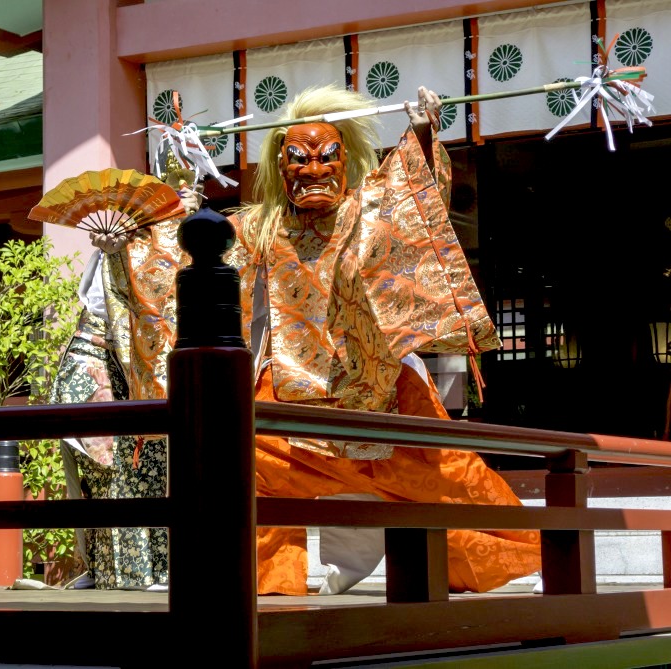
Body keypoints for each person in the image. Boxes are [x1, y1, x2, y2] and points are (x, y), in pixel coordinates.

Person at [92, 83, 541, 596]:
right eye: (297, 159)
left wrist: (419, 129)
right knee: (243, 464)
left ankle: (532, 549)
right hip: (289, 385)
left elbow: (411, 193)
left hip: (378, 386)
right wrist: (128, 242)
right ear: (280, 168)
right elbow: (188, 253)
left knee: (454, 481)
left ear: (344, 160)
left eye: (325, 156)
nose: (311, 170)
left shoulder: (367, 210)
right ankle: (266, 587)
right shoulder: (264, 227)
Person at [49, 180, 202, 590]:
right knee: (101, 468)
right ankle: (102, 570)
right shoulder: (128, 240)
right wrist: (112, 250)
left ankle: (157, 570)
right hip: (104, 354)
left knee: (149, 469)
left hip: (151, 366)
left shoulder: (194, 246)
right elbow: (102, 304)